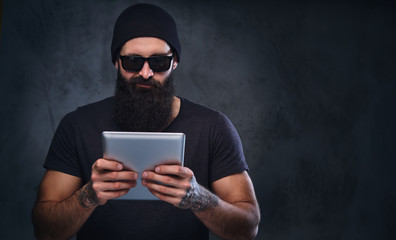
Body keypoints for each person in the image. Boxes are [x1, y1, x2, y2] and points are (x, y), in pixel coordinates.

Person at [32, 3, 260, 240]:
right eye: (132, 61)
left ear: (174, 62)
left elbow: (247, 229)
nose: (145, 73)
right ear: (116, 62)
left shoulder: (213, 127)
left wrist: (198, 198)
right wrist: (88, 196)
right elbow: (45, 231)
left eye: (159, 62)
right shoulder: (77, 125)